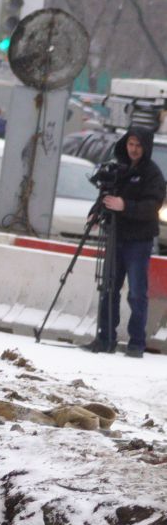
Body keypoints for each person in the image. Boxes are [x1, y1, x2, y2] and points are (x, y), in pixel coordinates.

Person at [92, 127, 163, 357]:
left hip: (138, 241)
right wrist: (96, 212)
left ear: (145, 147)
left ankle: (136, 343)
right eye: (131, 144)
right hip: (115, 235)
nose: (133, 149)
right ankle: (105, 338)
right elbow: (106, 194)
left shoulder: (152, 174)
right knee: (109, 288)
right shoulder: (118, 168)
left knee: (136, 292)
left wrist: (125, 206)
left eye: (138, 145)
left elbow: (151, 207)